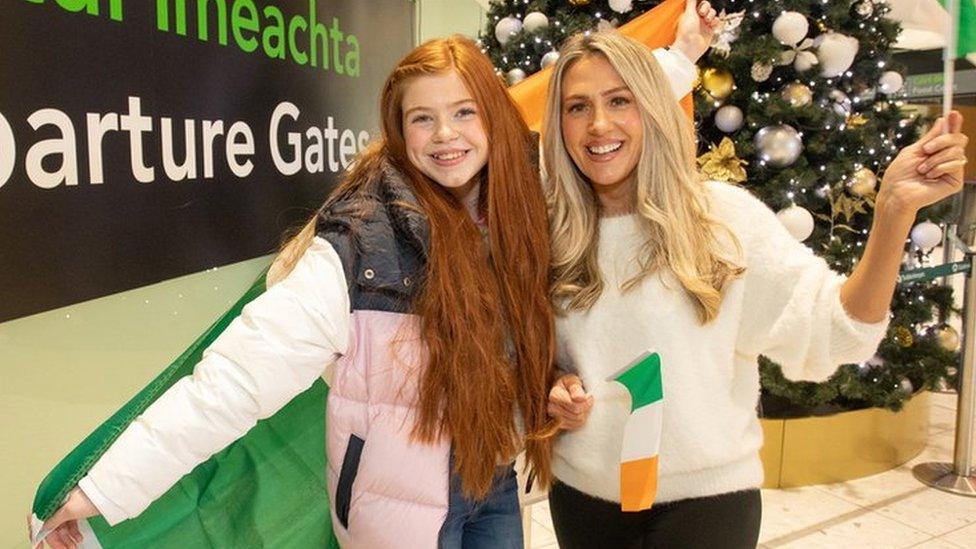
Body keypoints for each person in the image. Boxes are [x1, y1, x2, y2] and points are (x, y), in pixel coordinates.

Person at [34, 5, 719, 543]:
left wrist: (682, 58)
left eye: (462, 113)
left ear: (492, 119)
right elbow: (230, 384)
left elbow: (591, 134)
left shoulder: (517, 213)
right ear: (398, 129)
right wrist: (104, 490)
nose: (445, 135)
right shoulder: (355, 246)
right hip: (395, 518)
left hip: (494, 484)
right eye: (423, 119)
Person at [542, 31, 968, 549]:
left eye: (619, 101)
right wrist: (552, 385)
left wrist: (893, 213)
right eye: (577, 107)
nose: (599, 125)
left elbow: (837, 332)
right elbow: (535, 358)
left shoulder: (722, 218)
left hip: (703, 507)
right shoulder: (549, 233)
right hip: (582, 501)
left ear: (651, 108)